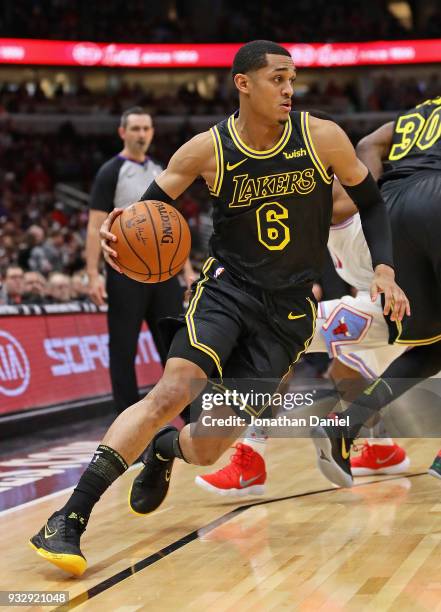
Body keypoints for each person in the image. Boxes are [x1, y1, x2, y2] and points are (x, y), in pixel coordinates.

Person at [30, 40, 408, 577]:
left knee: (207, 447)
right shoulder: (205, 150)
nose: (288, 89)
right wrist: (118, 232)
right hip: (226, 291)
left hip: (290, 311)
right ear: (243, 82)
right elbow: (148, 212)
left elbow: (371, 203)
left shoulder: (321, 136)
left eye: (292, 79)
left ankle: (164, 450)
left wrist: (387, 270)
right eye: (277, 78)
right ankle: (68, 517)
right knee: (171, 391)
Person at [195, 180, 411, 497]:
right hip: (387, 305)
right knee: (343, 370)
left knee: (278, 337)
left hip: (395, 306)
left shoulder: (333, 196)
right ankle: (382, 449)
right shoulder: (322, 200)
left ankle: (250, 462)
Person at [310, 96, 441, 488]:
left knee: (434, 343)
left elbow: (368, 142)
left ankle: (347, 423)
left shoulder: (420, 109)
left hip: (395, 210)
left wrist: (372, 195)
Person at [86, 106, 195, 414]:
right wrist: (92, 274)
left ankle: (190, 417)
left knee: (176, 349)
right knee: (123, 350)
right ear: (122, 132)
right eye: (135, 128)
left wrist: (186, 270)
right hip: (125, 270)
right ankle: (126, 423)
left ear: (152, 132)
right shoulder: (110, 171)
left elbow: (173, 223)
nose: (141, 134)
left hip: (163, 273)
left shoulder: (160, 169)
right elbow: (95, 225)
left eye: (146, 128)